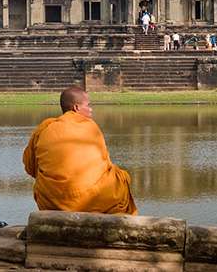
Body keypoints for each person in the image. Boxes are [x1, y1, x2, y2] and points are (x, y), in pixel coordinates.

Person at [23, 87, 137, 215]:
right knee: (121, 178)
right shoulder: (90, 126)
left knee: (42, 183)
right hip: (92, 199)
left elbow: (30, 167)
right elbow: (105, 164)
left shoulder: (45, 128)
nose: (91, 109)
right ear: (76, 108)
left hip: (52, 202)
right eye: (88, 105)